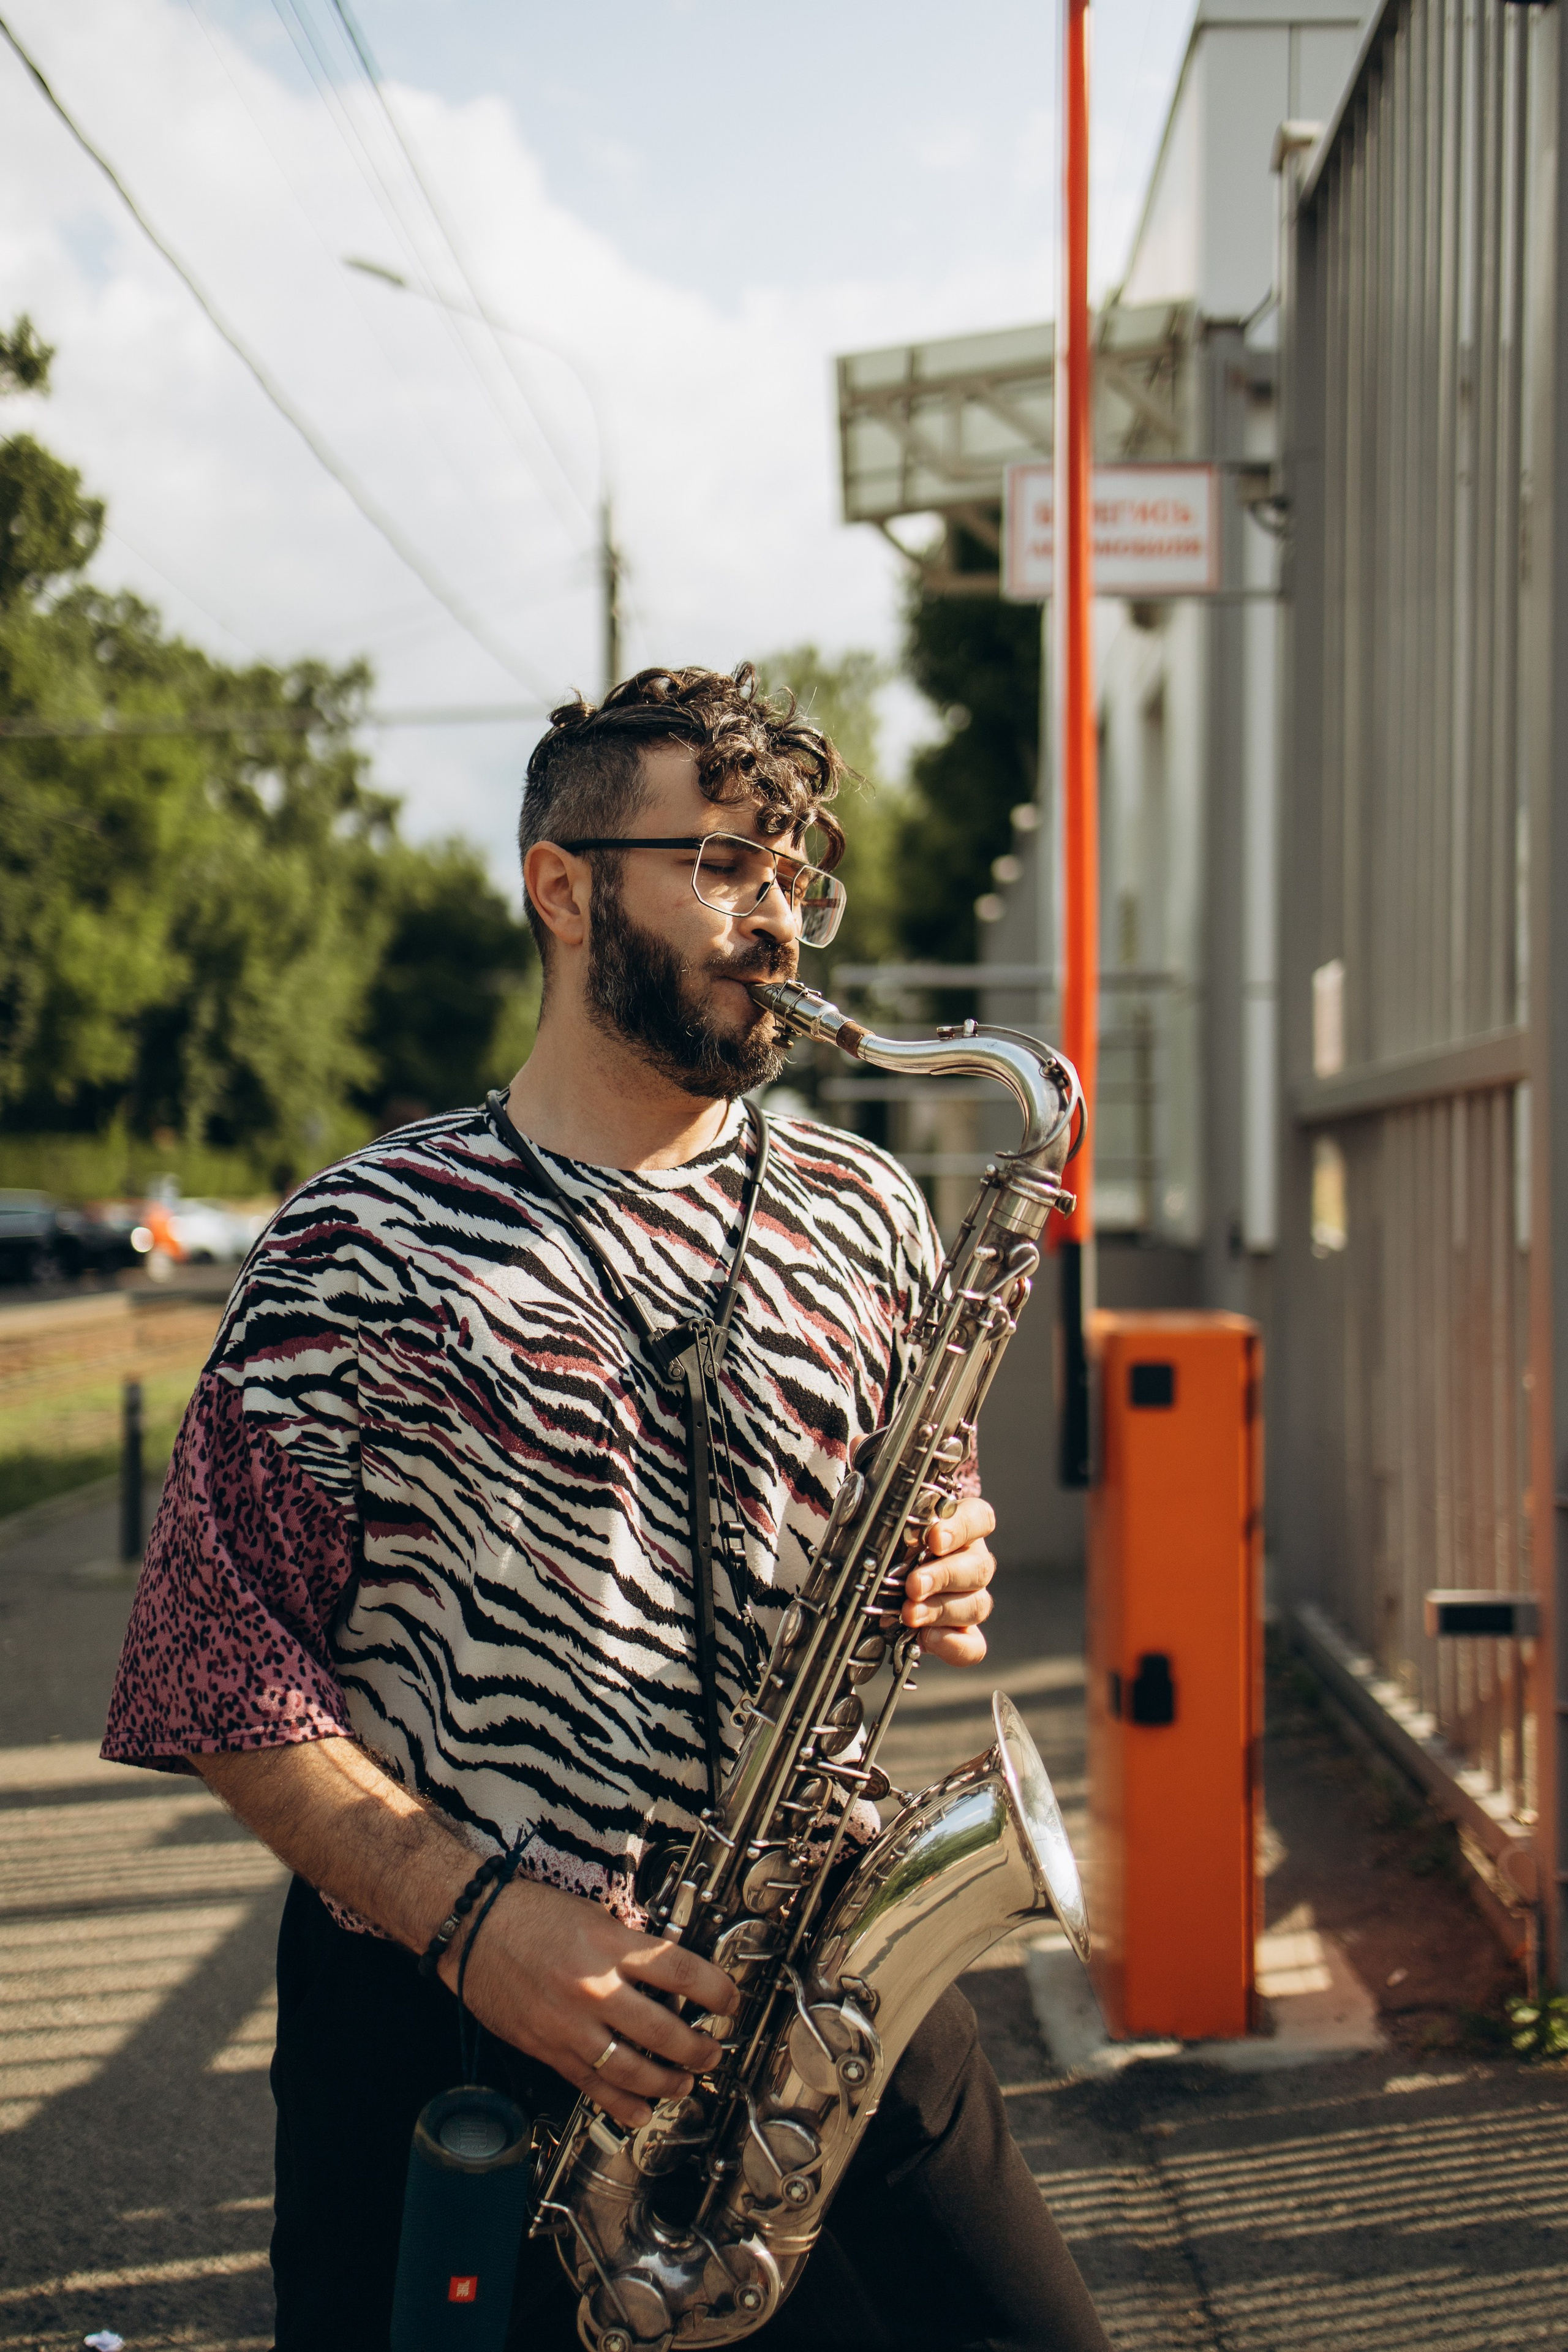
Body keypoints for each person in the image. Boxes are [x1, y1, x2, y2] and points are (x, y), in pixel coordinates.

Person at [104, 664, 1109, 2352]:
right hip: (451, 2016)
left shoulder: (869, 1209)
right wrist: (477, 1920)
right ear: (562, 887)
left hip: (816, 2001)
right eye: (720, 864)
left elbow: (919, 1511)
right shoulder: (361, 1246)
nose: (776, 919)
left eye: (794, 874)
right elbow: (215, 1669)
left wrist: (949, 1550)